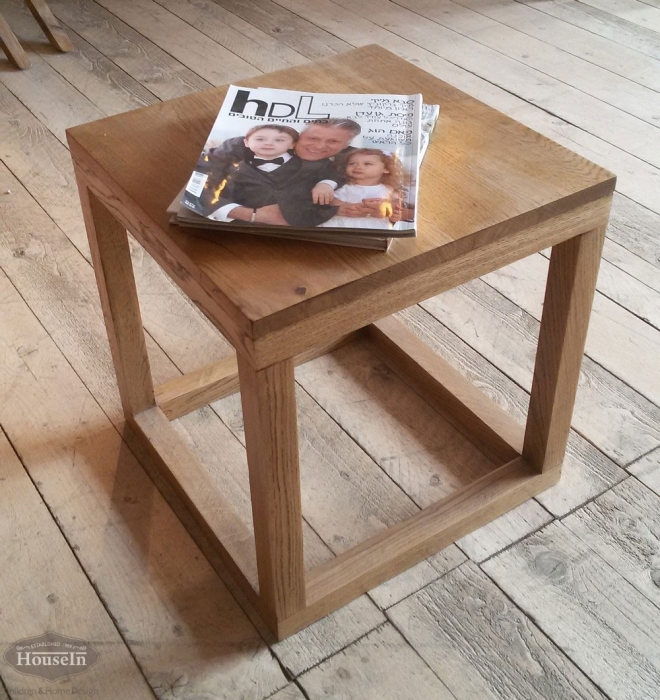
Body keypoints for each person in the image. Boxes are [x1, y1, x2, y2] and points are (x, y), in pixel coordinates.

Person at [198, 119, 386, 227]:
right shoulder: (244, 144)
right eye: (313, 138)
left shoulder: (352, 158)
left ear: (346, 145)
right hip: (220, 223)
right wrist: (249, 214)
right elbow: (198, 180)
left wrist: (328, 184)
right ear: (298, 135)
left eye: (333, 142)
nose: (319, 146)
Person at [319, 149, 405, 229]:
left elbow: (394, 206)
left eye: (367, 164)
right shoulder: (347, 187)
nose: (358, 167)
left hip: (373, 227)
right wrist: (345, 206)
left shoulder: (389, 190)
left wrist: (394, 215)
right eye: (352, 163)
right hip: (343, 225)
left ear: (386, 169)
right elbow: (331, 200)